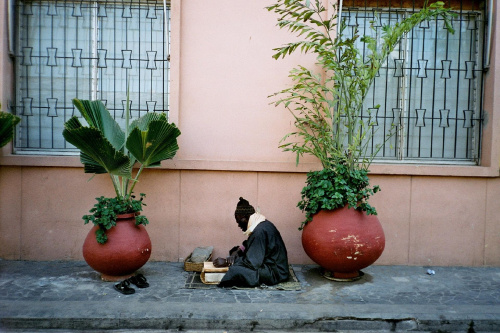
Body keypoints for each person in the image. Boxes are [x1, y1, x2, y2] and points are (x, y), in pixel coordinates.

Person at [213, 197, 289, 288]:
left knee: (235, 270)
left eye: (239, 221)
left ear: (245, 218)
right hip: (272, 267)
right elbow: (248, 243)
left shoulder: (259, 231)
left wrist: (227, 262)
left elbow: (252, 263)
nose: (238, 225)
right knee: (234, 251)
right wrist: (238, 251)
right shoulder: (260, 224)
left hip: (276, 273)